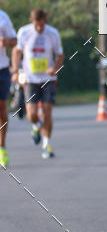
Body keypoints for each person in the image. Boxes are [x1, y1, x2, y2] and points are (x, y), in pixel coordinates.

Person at [12, 9, 64, 159]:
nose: (39, 28)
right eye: (37, 25)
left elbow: (60, 55)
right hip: (30, 80)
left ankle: (46, 145)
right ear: (32, 21)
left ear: (45, 21)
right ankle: (36, 126)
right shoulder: (24, 32)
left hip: (48, 79)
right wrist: (16, 71)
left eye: (42, 25)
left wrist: (54, 68)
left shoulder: (53, 33)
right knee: (32, 114)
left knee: (48, 111)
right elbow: (16, 52)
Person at [0, 8, 17, 168]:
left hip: (2, 69)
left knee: (2, 109)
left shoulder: (3, 17)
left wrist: (7, 42)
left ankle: (2, 147)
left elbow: (15, 41)